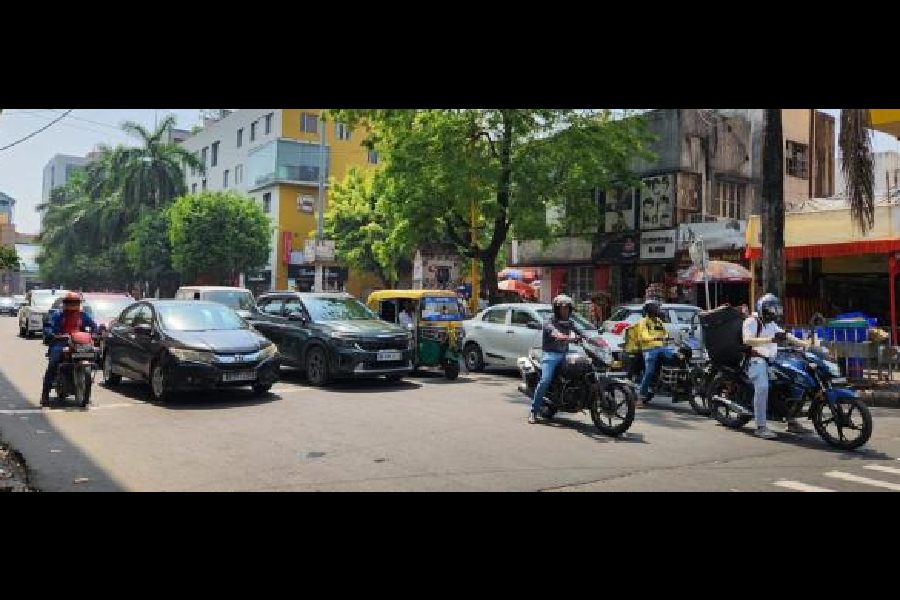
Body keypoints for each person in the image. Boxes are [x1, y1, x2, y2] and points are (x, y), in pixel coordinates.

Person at [742, 293, 811, 439]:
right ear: (762, 308)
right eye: (770, 309)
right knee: (762, 388)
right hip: (756, 361)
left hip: (772, 360)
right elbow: (747, 340)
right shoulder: (751, 321)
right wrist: (770, 339)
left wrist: (804, 344)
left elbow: (786, 335)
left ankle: (791, 420)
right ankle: (760, 427)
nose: (773, 312)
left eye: (775, 309)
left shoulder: (771, 324)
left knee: (793, 382)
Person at [41, 292, 98, 406]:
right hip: (61, 342)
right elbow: (49, 327)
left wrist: (96, 333)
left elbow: (93, 326)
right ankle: (45, 395)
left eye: (75, 302)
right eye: (70, 302)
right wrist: (52, 334)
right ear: (65, 303)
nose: (73, 305)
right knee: (53, 363)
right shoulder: (58, 315)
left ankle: (87, 383)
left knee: (93, 355)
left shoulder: (83, 315)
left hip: (79, 343)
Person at [529, 294, 578, 424]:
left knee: (580, 370)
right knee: (545, 380)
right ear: (556, 309)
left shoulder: (570, 322)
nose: (565, 310)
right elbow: (551, 329)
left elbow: (579, 331)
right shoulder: (549, 320)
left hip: (566, 354)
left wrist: (592, 340)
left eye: (567, 308)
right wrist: (559, 335)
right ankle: (533, 411)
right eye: (562, 308)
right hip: (550, 355)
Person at [633, 300, 676, 405]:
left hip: (662, 348)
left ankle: (668, 381)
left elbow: (665, 333)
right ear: (650, 310)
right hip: (649, 349)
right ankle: (641, 395)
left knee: (676, 358)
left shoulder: (658, 321)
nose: (658, 310)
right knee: (649, 371)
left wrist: (667, 337)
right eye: (656, 308)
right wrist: (655, 337)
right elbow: (643, 335)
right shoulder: (643, 322)